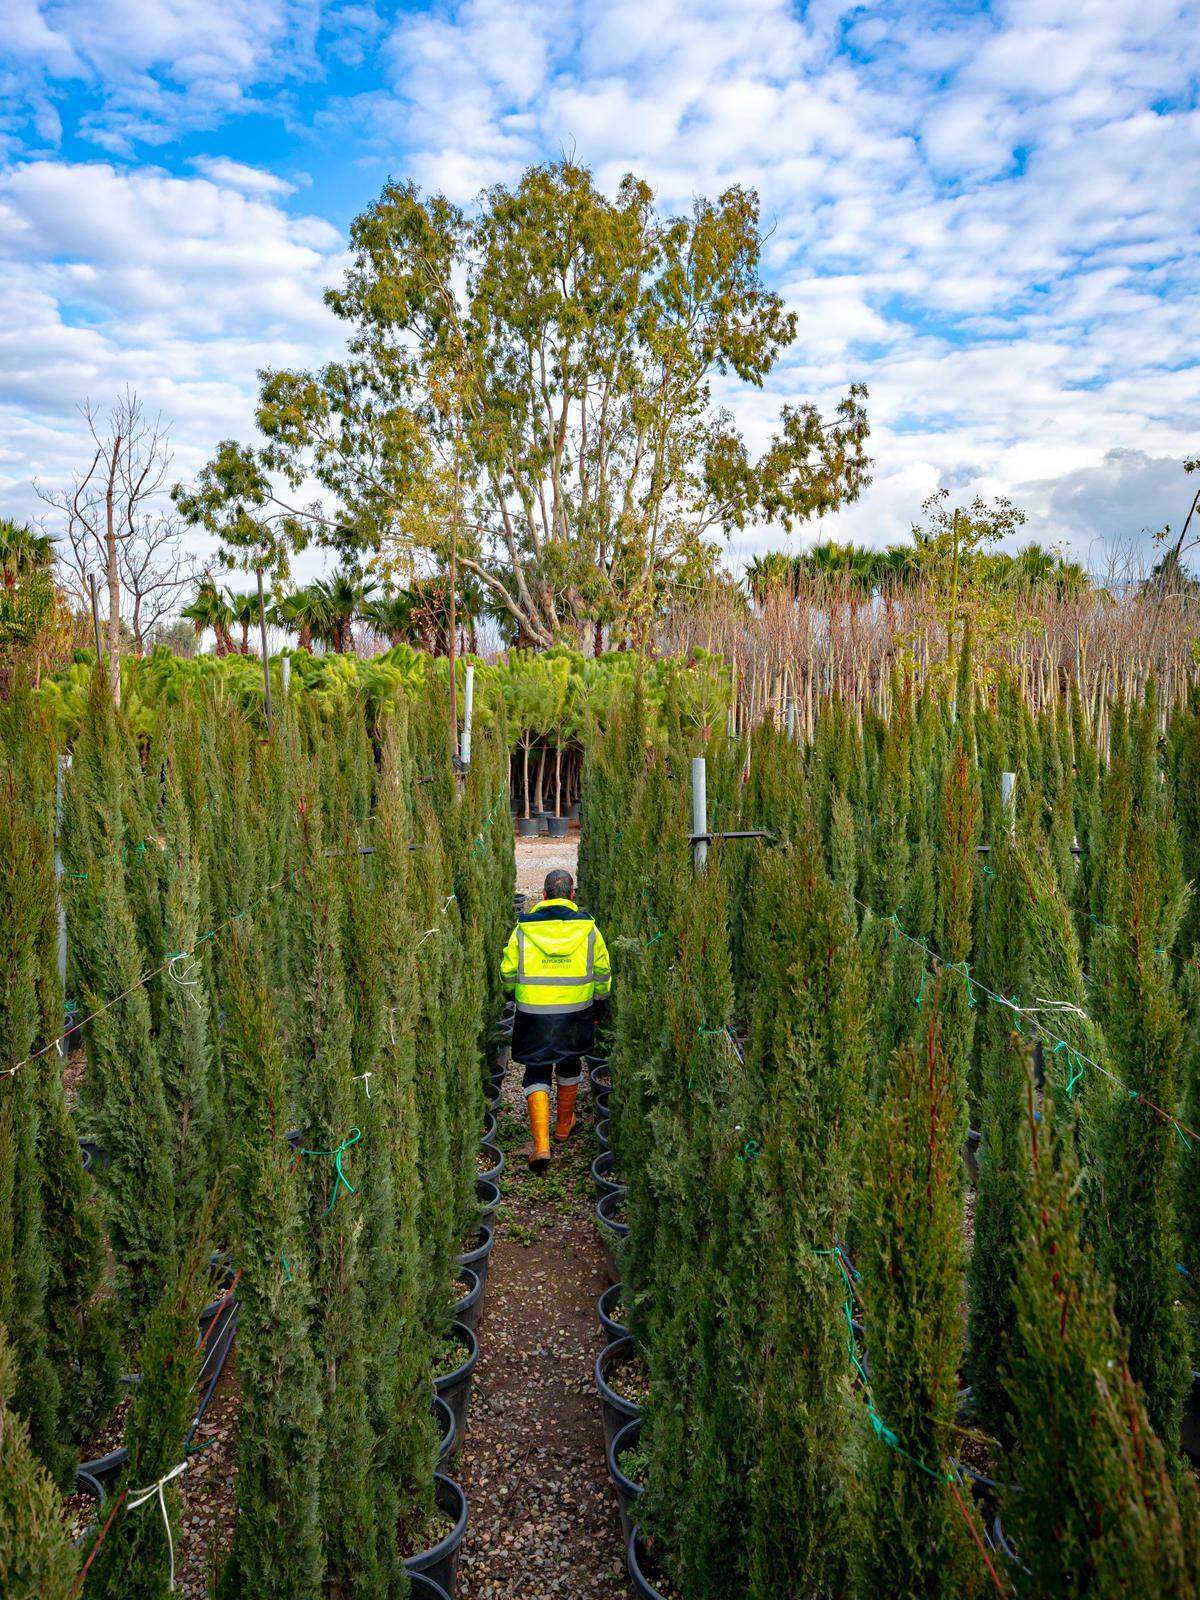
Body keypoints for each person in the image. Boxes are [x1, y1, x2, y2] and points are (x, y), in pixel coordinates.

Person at [500, 869, 612, 1173]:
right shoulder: (589, 930)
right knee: (569, 1063)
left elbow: (507, 973)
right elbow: (603, 974)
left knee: (536, 1068)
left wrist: (513, 994)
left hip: (534, 1015)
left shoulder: (523, 930)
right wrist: (598, 1008)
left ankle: (541, 1145)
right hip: (575, 1014)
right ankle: (564, 1126)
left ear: (544, 895)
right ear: (572, 895)